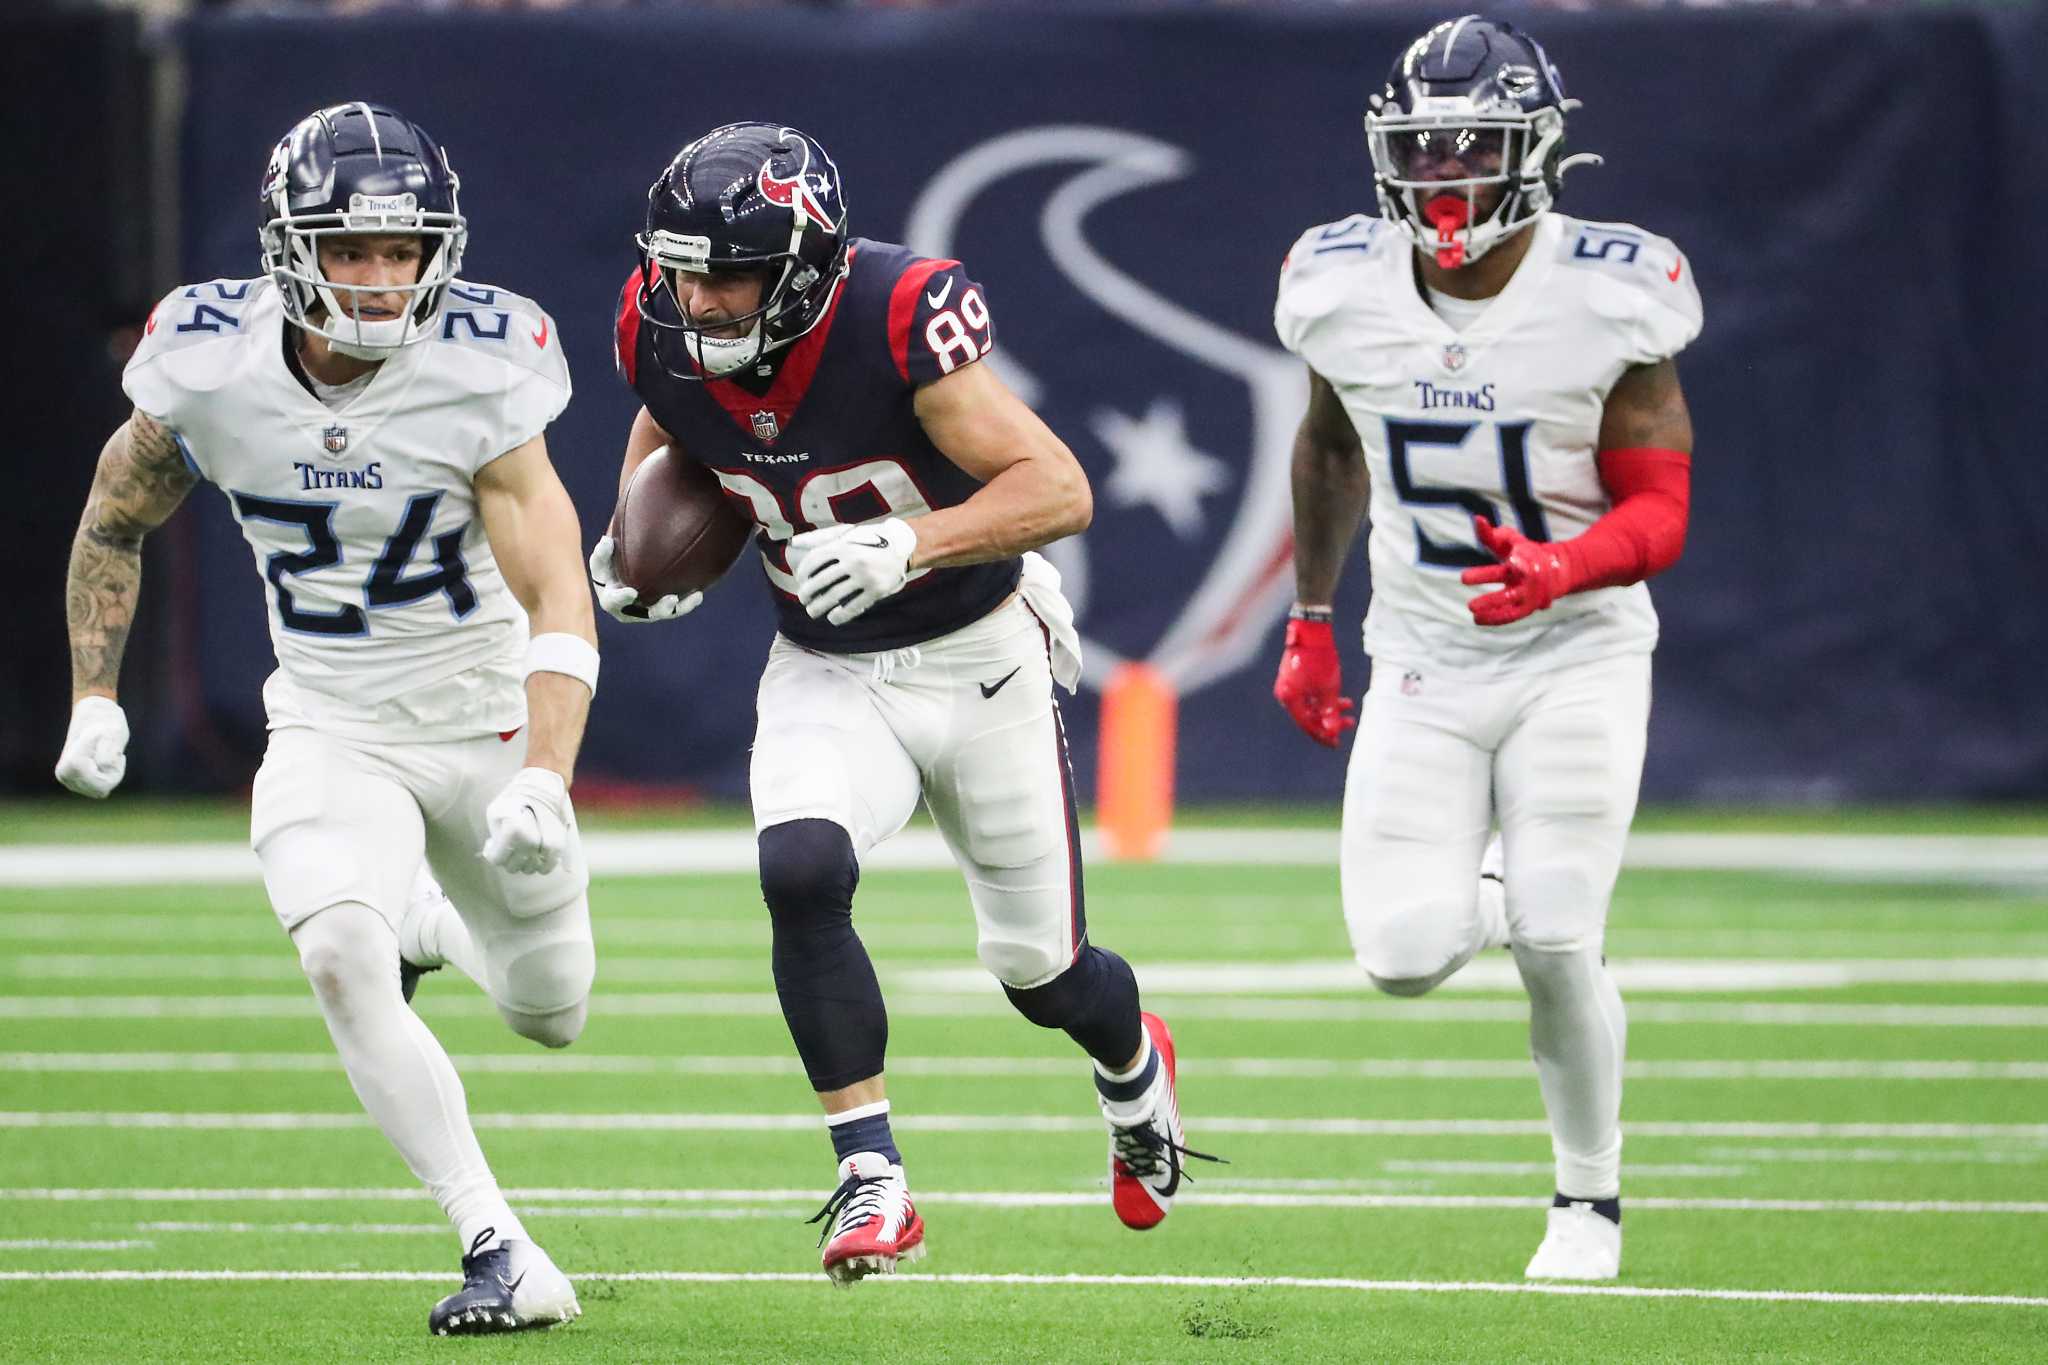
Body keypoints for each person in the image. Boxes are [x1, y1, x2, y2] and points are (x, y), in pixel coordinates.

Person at [591, 121, 1216, 1284]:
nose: (698, 299)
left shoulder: (897, 312)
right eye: (679, 269)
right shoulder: (659, 319)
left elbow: (1057, 487)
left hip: (977, 654)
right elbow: (669, 419)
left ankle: (1134, 1072)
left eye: (727, 275)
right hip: (824, 663)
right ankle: (869, 1176)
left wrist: (909, 542)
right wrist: (634, 543)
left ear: (807, 267)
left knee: (1043, 974)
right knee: (800, 869)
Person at [56, 102, 598, 1334]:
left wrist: (548, 775)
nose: (376, 278)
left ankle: (425, 914)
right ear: (288, 245)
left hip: (484, 714)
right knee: (337, 954)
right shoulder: (208, 357)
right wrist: (93, 692)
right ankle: (498, 1246)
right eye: (349, 250)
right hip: (330, 718)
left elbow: (557, 583)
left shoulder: (484, 358)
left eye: (400, 252)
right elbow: (112, 517)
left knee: (550, 1009)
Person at [1271, 17, 1701, 1281]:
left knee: (1561, 938)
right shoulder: (1335, 282)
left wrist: (1561, 564)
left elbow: (1660, 507)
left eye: (1474, 146)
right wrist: (1306, 620)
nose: (1444, 174)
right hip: (1422, 654)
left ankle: (1587, 1201)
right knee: (1398, 958)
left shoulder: (1610, 287)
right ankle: (1512, 885)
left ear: (1538, 149)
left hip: (1577, 649)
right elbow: (1333, 447)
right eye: (1423, 147)